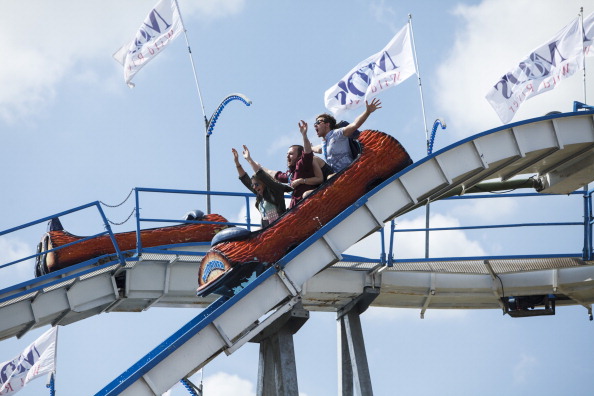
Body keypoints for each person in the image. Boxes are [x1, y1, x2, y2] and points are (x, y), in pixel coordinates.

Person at [247, 121, 323, 208]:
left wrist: (304, 136)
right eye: (287, 154)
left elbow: (307, 153)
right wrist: (250, 160)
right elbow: (270, 172)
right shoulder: (289, 174)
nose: (287, 156)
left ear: (299, 156)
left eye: (291, 154)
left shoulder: (302, 164)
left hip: (310, 204)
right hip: (296, 208)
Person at [313, 98, 382, 175]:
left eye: (318, 122)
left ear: (327, 124)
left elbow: (355, 124)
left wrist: (367, 112)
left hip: (351, 172)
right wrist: (306, 141)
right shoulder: (324, 144)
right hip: (338, 177)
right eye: (314, 124)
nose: (315, 124)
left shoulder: (337, 134)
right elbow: (316, 149)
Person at [232, 147, 292, 228]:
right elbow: (244, 179)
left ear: (263, 183)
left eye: (256, 185)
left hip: (280, 225)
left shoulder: (275, 190)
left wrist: (249, 159)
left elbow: (261, 174)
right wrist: (237, 163)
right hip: (267, 228)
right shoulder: (260, 195)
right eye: (253, 186)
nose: (254, 188)